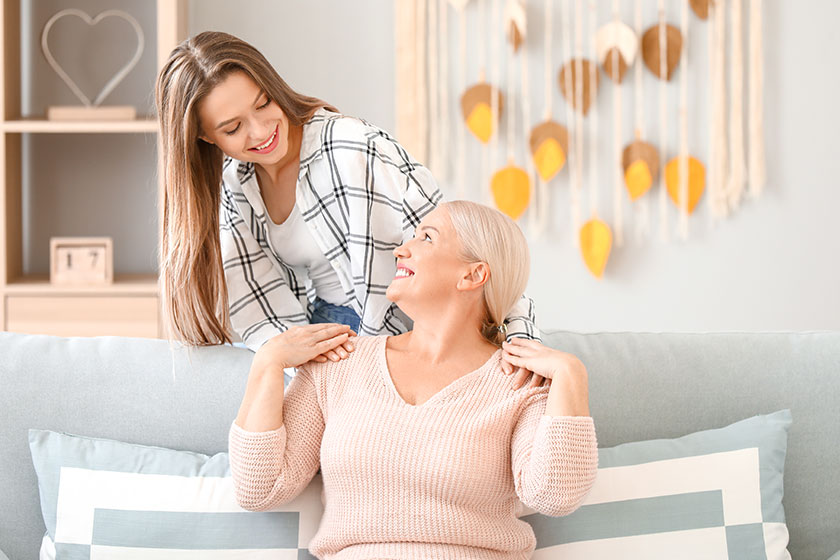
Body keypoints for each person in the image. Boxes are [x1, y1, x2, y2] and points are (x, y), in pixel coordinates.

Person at [155, 31, 541, 380]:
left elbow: (464, 248)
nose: (261, 131)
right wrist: (296, 364)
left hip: (409, 331)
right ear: (205, 137)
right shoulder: (233, 186)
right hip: (325, 332)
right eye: (233, 128)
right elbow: (261, 309)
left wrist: (519, 340)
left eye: (263, 103)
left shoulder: (352, 146)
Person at [229, 201, 598, 559]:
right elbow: (259, 488)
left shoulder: (519, 383)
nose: (400, 250)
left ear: (472, 275)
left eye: (426, 238)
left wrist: (571, 375)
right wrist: (268, 362)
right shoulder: (338, 364)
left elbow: (554, 495)